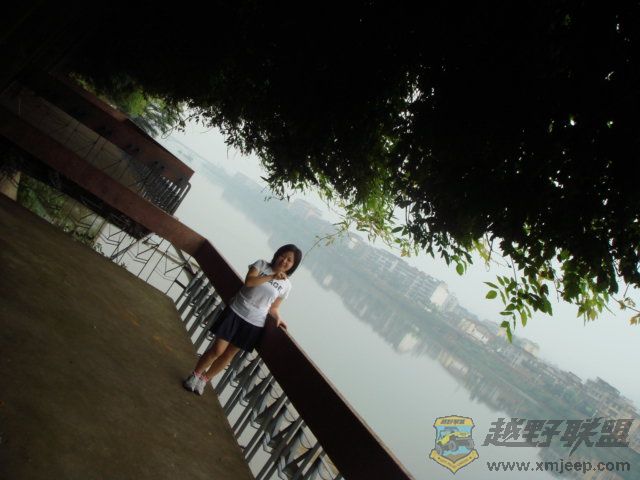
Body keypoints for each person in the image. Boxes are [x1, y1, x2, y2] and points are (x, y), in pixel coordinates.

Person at [183, 244, 302, 395]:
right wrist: (272, 276)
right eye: (283, 256)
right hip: (236, 311)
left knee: (228, 355)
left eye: (289, 260)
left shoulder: (287, 285)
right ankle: (195, 375)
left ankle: (204, 380)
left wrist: (278, 318)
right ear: (277, 254)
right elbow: (249, 282)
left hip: (255, 322)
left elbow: (274, 307)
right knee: (217, 350)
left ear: (293, 265)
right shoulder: (261, 265)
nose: (284, 261)